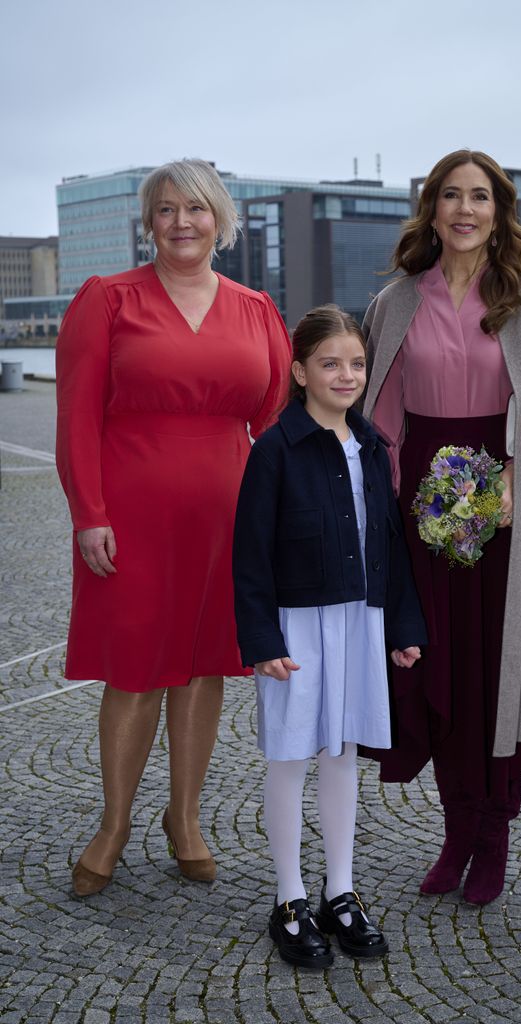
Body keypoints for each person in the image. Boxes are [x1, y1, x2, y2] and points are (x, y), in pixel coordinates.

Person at [361, 150, 521, 906]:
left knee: (496, 680)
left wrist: (516, 481)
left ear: (499, 211)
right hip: (421, 520)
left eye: (479, 196)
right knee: (436, 676)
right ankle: (454, 833)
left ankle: (493, 836)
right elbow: (380, 421)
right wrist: (378, 518)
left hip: (514, 521)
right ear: (431, 210)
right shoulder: (395, 305)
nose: (464, 209)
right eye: (451, 195)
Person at [56, 159, 291, 896]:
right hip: (128, 518)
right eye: (165, 210)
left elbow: (278, 422)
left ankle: (183, 819)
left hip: (226, 518)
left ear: (220, 218)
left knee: (205, 665)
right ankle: (114, 823)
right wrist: (89, 514)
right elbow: (75, 422)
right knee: (135, 671)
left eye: (194, 208)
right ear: (148, 221)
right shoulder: (107, 300)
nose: (181, 222)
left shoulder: (256, 308)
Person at [232, 305, 427, 967]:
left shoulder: (371, 446)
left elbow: (390, 543)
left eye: (356, 364)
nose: (345, 375)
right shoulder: (274, 450)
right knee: (289, 756)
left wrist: (400, 625)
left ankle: (337, 892)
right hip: (296, 625)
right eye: (330, 363)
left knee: (342, 754)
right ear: (299, 371)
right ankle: (287, 899)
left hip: (359, 619)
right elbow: (250, 553)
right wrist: (261, 639)